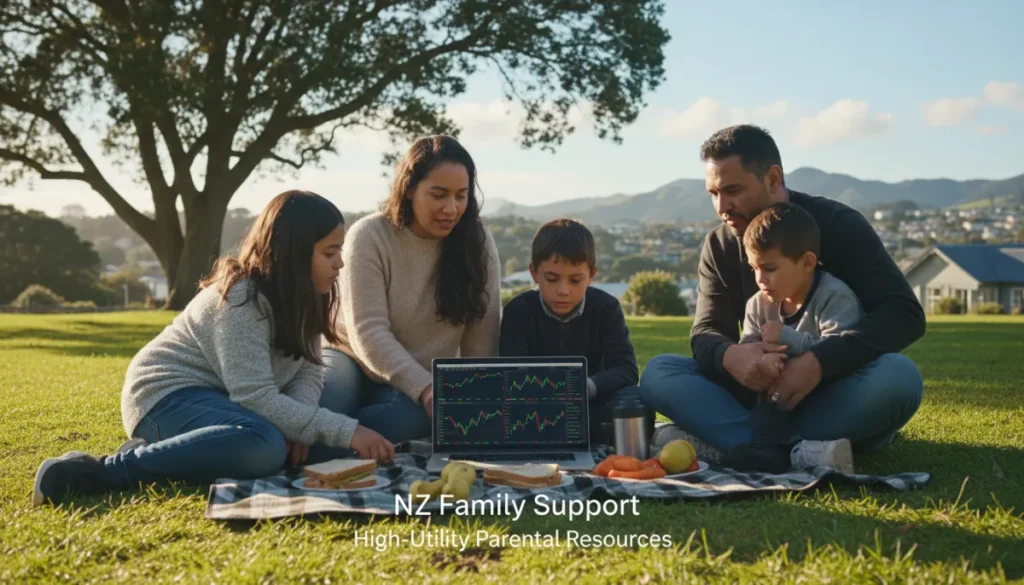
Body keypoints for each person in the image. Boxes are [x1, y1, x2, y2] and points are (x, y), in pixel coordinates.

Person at [33, 191, 395, 506]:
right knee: (265, 446)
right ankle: (101, 472)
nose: (341, 263)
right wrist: (348, 431)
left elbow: (310, 367)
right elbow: (255, 397)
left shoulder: (308, 295)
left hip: (231, 405)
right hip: (167, 396)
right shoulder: (242, 298)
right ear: (296, 253)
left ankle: (175, 450)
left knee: (316, 448)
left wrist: (299, 420)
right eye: (330, 252)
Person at [638, 124, 925, 469]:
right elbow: (706, 332)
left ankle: (741, 444)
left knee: (899, 378)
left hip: (835, 392)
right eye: (713, 193)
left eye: (732, 190)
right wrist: (733, 356)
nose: (722, 206)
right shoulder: (719, 244)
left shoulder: (838, 225)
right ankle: (795, 450)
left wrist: (817, 364)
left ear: (773, 179)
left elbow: (904, 314)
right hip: (762, 396)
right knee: (659, 372)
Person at [321, 135, 502, 444]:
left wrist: (476, 403)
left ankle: (326, 441)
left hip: (423, 377)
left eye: (461, 195)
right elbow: (368, 332)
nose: (451, 208)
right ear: (408, 189)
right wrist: (428, 389)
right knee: (322, 402)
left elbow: (481, 341)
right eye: (438, 194)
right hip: (349, 358)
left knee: (407, 422)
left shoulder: (478, 242)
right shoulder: (369, 236)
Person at [723, 202, 864, 473]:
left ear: (807, 262)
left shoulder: (834, 296)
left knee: (895, 375)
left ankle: (767, 446)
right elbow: (748, 349)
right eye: (754, 268)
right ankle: (787, 451)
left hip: (826, 397)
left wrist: (787, 338)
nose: (760, 279)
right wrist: (760, 363)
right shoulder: (758, 304)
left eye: (770, 268)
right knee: (666, 370)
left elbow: (842, 351)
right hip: (773, 404)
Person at [499, 219, 651, 445]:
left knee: (638, 398)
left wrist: (586, 387)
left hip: (591, 403)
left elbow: (626, 369)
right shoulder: (519, 310)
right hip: (536, 405)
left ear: (591, 275)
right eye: (551, 279)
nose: (563, 291)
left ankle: (560, 432)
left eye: (575, 280)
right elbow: (511, 374)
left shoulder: (606, 307)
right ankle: (582, 433)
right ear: (534, 273)